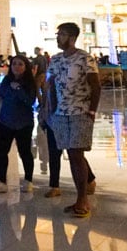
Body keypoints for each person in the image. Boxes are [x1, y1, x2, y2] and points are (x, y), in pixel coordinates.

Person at [46, 23, 100, 218]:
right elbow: (51, 86)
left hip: (81, 112)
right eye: (58, 34)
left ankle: (82, 199)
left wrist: (92, 111)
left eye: (61, 34)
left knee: (76, 153)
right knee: (72, 153)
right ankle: (82, 193)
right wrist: (50, 111)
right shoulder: (55, 59)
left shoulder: (85, 58)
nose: (58, 37)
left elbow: (96, 86)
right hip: (61, 114)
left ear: (71, 37)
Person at [0, 56, 38, 193]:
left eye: (20, 64)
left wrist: (19, 90)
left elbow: (30, 101)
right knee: (1, 152)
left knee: (25, 152)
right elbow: (0, 98)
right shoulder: (6, 80)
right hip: (5, 121)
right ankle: (1, 181)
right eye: (14, 64)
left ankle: (28, 180)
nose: (16, 66)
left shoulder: (29, 83)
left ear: (25, 66)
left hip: (23, 123)